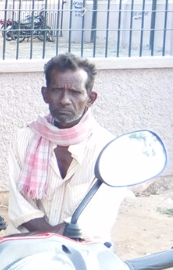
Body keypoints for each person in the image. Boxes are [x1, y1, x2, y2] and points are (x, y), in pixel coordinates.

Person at [7, 53, 125, 242]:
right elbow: (20, 205)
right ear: (45, 94)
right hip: (30, 243)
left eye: (75, 92)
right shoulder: (24, 139)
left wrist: (60, 237)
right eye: (56, 90)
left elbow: (100, 212)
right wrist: (52, 236)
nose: (64, 99)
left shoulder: (107, 147)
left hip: (85, 247)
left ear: (91, 98)